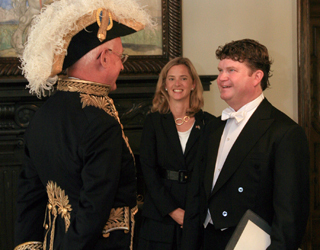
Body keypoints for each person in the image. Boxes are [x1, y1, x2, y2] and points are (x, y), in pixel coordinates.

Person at [13, 0, 153, 250]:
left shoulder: (42, 114)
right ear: (104, 57)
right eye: (122, 57)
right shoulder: (100, 121)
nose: (122, 65)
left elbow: (28, 196)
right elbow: (93, 212)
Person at [182, 39, 310, 250]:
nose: (221, 78)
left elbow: (290, 217)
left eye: (231, 70)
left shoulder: (285, 132)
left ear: (256, 77)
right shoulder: (212, 128)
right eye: (220, 70)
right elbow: (196, 197)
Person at [137, 57, 215, 250]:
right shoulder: (153, 122)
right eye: (171, 79)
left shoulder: (209, 123)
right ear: (164, 85)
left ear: (193, 84)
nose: (177, 84)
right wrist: (172, 210)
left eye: (183, 78)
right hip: (159, 212)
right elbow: (147, 171)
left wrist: (192, 213)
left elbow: (211, 172)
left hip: (196, 211)